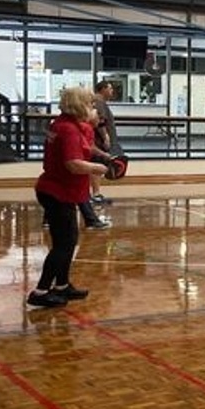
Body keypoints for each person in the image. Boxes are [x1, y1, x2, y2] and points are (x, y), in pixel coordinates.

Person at [26, 86, 107, 308]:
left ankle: (62, 285)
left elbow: (84, 149)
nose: (92, 108)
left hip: (60, 190)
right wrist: (98, 168)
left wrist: (103, 156)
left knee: (68, 241)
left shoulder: (62, 124)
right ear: (80, 104)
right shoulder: (68, 129)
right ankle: (41, 291)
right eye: (90, 104)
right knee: (64, 244)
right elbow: (72, 164)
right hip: (57, 191)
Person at [92, 80, 119, 207]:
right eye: (110, 88)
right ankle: (96, 194)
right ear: (102, 89)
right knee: (97, 165)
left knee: (97, 166)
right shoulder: (99, 101)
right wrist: (105, 136)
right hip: (98, 140)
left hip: (98, 139)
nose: (112, 91)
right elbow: (100, 120)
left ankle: (95, 193)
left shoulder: (100, 101)